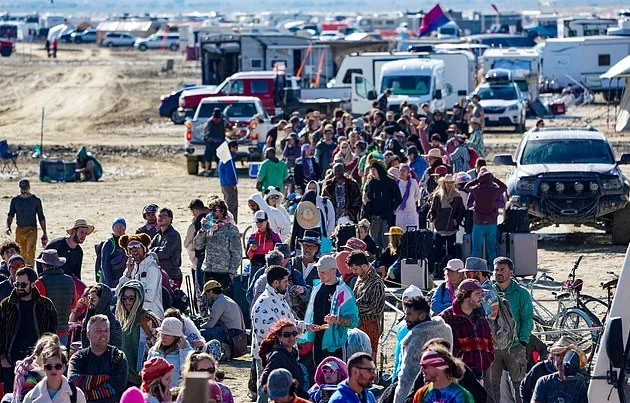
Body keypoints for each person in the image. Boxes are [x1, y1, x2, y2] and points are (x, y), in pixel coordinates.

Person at [0, 267, 57, 391]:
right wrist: (3, 358)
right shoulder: (6, 305)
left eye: (23, 284)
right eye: (16, 284)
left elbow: (52, 334)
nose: (19, 287)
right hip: (11, 361)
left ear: (32, 284)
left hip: (38, 361)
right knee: (11, 396)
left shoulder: (45, 305)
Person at [489, 256, 534, 403]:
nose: (498, 273)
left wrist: (523, 341)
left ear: (511, 272)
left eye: (502, 269)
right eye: (496, 270)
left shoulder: (522, 293)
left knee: (518, 385)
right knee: (493, 385)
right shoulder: (488, 292)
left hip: (515, 346)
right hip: (493, 347)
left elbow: (527, 319)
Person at [300, 255, 359, 366]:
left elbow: (353, 320)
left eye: (323, 272)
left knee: (337, 376)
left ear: (333, 271)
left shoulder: (343, 292)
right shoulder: (317, 288)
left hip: (335, 344)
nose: (320, 275)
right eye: (318, 271)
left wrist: (337, 319)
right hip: (317, 341)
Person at [394, 295, 453, 403]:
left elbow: (407, 378)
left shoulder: (416, 339)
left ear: (422, 315)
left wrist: (400, 399)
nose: (405, 318)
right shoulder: (445, 329)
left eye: (409, 314)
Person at [439, 279, 494, 381]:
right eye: (477, 294)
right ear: (465, 295)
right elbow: (439, 348)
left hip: (480, 377)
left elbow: (489, 342)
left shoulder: (481, 317)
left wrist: (488, 359)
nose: (481, 297)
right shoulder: (446, 318)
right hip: (456, 378)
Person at [68, 315, 128, 403]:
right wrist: (104, 378)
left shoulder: (117, 357)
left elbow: (118, 385)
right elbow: (73, 382)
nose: (104, 334)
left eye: (106, 330)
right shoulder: (78, 358)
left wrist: (86, 392)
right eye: (99, 331)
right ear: (88, 333)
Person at [251, 266, 303, 366]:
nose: (288, 285)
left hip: (283, 354)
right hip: (269, 356)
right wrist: (290, 332)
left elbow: (289, 322)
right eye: (285, 281)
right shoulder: (264, 302)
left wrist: (305, 326)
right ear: (275, 283)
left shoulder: (279, 298)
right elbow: (264, 330)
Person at [115, 281, 161, 387]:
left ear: (138, 299)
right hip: (124, 373)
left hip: (143, 373)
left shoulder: (148, 318)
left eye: (131, 298)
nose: (127, 302)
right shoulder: (120, 318)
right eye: (124, 298)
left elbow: (159, 344)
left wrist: (146, 329)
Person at [194, 198, 241, 296]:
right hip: (208, 270)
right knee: (208, 302)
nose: (211, 213)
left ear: (223, 211)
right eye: (210, 210)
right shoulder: (209, 227)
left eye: (214, 210)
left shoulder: (231, 229)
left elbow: (237, 253)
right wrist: (202, 230)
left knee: (224, 303)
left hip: (223, 272)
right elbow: (198, 245)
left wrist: (231, 272)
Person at [258, 320, 309, 402]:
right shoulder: (278, 356)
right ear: (279, 337)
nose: (292, 337)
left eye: (294, 333)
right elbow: (264, 380)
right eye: (287, 335)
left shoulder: (293, 353)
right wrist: (280, 397)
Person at [464, 168, 507, 266]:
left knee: (476, 250)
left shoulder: (476, 190)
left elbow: (466, 186)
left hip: (478, 223)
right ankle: (493, 269)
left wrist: (477, 180)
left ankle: (474, 268)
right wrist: (494, 179)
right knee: (491, 250)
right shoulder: (494, 190)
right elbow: (504, 187)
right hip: (491, 223)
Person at [33, 250, 76, 345]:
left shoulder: (40, 282)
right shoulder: (70, 281)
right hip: (63, 331)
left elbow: (37, 308)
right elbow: (73, 305)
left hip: (45, 332)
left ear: (44, 265)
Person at [347, 251, 384, 358]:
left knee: (369, 359)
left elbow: (376, 309)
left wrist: (354, 307)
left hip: (370, 325)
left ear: (364, 266)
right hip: (357, 323)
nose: (354, 272)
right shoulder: (360, 278)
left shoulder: (376, 282)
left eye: (355, 269)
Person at [117, 234, 163, 317]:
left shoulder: (152, 268)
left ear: (144, 248)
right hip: (132, 315)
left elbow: (150, 296)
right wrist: (128, 275)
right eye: (130, 248)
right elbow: (118, 293)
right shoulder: (130, 269)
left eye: (136, 245)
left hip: (151, 315)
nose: (133, 249)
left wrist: (130, 297)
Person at [520, 336, 578, 403]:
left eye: (566, 356)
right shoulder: (540, 368)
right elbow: (524, 387)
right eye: (558, 355)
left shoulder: (578, 373)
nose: (561, 359)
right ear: (552, 355)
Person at [6, 178, 47, 266]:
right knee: (20, 252)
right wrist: (8, 226)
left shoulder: (35, 200)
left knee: (30, 252)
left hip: (32, 229)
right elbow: (11, 214)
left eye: (25, 188)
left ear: (29, 187)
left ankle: (29, 271)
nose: (24, 190)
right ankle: (20, 270)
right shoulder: (15, 200)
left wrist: (44, 232)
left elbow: (41, 217)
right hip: (20, 229)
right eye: (22, 188)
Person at [362, 161, 402, 250]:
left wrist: (392, 208)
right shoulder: (371, 183)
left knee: (386, 241)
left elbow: (398, 198)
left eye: (374, 170)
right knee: (375, 241)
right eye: (371, 170)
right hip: (374, 217)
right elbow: (367, 198)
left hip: (386, 217)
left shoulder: (390, 183)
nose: (372, 172)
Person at [429, 174, 466, 263]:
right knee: (438, 250)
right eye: (447, 182)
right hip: (439, 227)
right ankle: (437, 269)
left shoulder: (457, 196)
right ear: (444, 183)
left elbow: (461, 211)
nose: (449, 184)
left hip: (451, 228)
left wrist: (456, 221)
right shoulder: (437, 196)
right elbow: (433, 209)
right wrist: (432, 218)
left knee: (451, 250)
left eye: (451, 182)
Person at [147, 317, 193, 389]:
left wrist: (185, 352)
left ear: (176, 337)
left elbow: (188, 375)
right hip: (156, 393)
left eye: (168, 335)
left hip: (175, 395)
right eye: (162, 333)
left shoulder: (187, 352)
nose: (163, 337)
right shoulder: (153, 351)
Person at [391, 286, 425, 383]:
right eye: (405, 302)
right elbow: (398, 354)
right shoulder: (403, 326)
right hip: (403, 374)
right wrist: (395, 375)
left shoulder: (430, 324)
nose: (408, 306)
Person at [199, 280, 245, 345]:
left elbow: (210, 325)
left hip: (232, 333)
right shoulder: (226, 299)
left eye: (206, 294)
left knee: (201, 333)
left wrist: (199, 327)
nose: (206, 296)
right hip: (238, 332)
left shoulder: (219, 302)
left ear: (211, 292)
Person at [80, 284, 122, 349]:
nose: (90, 302)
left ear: (102, 301)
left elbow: (116, 348)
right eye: (89, 298)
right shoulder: (88, 318)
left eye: (93, 299)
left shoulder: (113, 323)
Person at [149, 208, 182, 288]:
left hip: (171, 275)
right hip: (158, 275)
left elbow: (164, 253)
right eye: (159, 216)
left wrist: (154, 250)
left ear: (170, 219)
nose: (161, 218)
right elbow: (149, 252)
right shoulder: (157, 236)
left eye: (164, 215)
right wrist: (155, 251)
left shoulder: (173, 235)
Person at [461, 257, 499, 321]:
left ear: (478, 273)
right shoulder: (491, 287)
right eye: (465, 273)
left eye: (469, 273)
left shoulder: (485, 293)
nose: (466, 276)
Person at [98, 217, 127, 288]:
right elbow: (104, 265)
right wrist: (109, 283)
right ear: (113, 228)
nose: (119, 229)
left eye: (121, 227)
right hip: (110, 280)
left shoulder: (127, 241)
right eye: (116, 227)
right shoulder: (109, 243)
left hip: (122, 278)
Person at [395, 164, 421, 229]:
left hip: (411, 212)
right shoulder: (397, 183)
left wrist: (410, 201)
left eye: (404, 171)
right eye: (400, 171)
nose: (402, 173)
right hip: (400, 212)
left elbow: (418, 195)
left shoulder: (413, 182)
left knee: (412, 232)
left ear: (408, 173)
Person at [203, 108, 228, 175]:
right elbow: (206, 133)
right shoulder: (210, 122)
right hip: (211, 143)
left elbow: (227, 129)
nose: (216, 119)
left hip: (219, 143)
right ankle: (207, 170)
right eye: (215, 118)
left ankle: (217, 171)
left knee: (219, 158)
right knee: (208, 158)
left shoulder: (222, 121)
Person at [218, 140, 239, 221]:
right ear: (231, 148)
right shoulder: (228, 159)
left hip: (224, 185)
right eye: (235, 148)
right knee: (231, 206)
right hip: (229, 186)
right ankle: (230, 223)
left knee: (227, 204)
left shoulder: (223, 157)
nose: (236, 150)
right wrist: (233, 183)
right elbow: (230, 174)